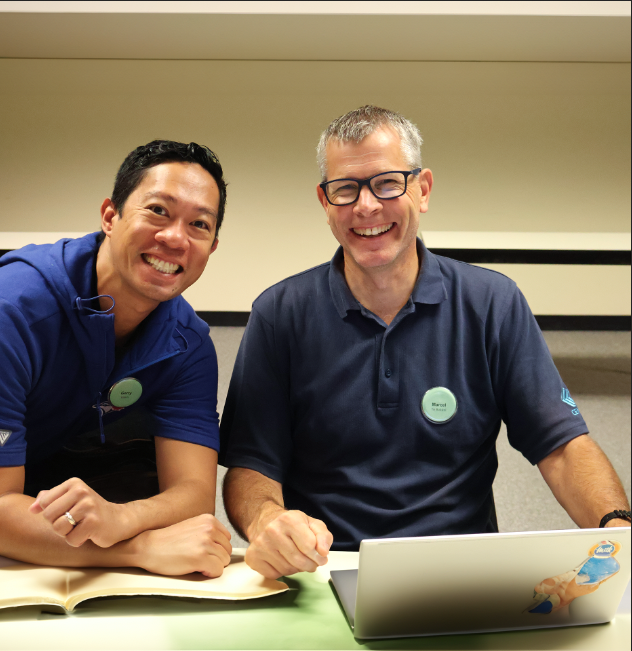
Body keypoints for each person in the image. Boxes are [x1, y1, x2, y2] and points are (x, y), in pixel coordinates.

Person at [219, 105, 631, 579]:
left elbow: (561, 447)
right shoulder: (280, 313)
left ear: (423, 189)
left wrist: (616, 532)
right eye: (345, 188)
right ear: (325, 202)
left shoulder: (492, 303)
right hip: (324, 570)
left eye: (387, 183)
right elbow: (252, 466)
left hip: (462, 572)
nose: (367, 206)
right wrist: (268, 520)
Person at [0, 139, 232, 578]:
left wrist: (122, 519)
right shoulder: (3, 313)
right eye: (158, 210)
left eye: (199, 224)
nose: (176, 238)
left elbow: (194, 496)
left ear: (212, 247)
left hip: (31, 445)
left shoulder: (188, 343)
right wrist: (136, 548)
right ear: (110, 215)